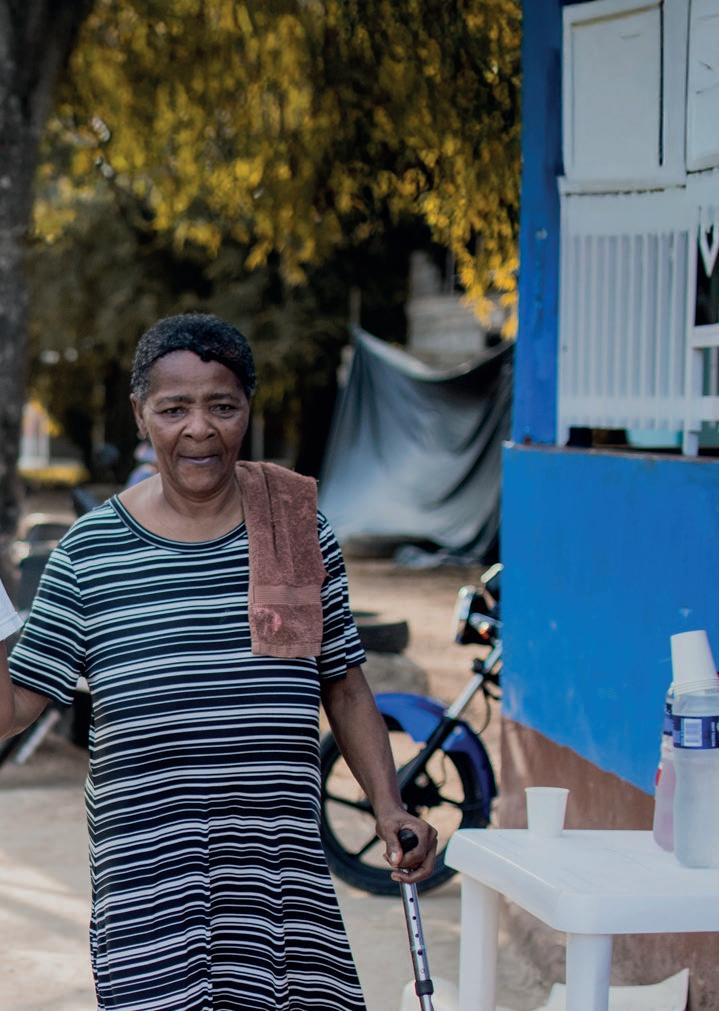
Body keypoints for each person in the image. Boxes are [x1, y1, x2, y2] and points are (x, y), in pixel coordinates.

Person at [0, 313, 436, 1011]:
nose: (199, 429)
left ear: (247, 410)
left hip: (278, 880)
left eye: (222, 407)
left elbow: (344, 681)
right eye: (174, 409)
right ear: (140, 414)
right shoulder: (88, 554)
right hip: (149, 886)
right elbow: (14, 707)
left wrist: (388, 807)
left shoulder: (294, 527)